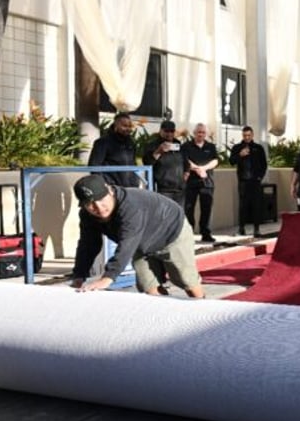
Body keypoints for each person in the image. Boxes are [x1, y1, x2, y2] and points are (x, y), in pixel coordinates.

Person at [70, 174, 204, 299]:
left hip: (170, 232)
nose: (99, 208)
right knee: (149, 287)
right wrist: (79, 275)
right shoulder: (87, 216)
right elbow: (88, 245)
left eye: (102, 200)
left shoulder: (131, 205)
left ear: (110, 191)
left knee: (186, 280)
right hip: (141, 242)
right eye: (90, 204)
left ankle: (204, 308)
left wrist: (108, 278)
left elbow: (127, 243)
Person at [182, 123, 219, 242]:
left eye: (203, 132)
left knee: (206, 209)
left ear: (206, 134)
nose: (201, 135)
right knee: (189, 208)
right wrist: (198, 169)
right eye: (198, 132)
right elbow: (185, 160)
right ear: (194, 133)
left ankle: (206, 233)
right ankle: (189, 234)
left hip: (207, 182)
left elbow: (215, 161)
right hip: (191, 183)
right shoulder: (186, 146)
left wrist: (204, 169)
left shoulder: (211, 147)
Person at [229, 126, 268, 237]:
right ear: (242, 135)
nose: (247, 137)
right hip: (243, 181)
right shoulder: (237, 148)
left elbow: (264, 164)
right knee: (243, 205)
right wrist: (240, 155)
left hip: (255, 181)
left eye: (249, 135)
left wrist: (260, 177)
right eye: (245, 135)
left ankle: (256, 229)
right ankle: (242, 228)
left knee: (256, 205)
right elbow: (231, 161)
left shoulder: (258, 148)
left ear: (252, 135)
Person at [88, 111, 140, 188]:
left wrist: (135, 181)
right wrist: (105, 184)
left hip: (130, 187)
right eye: (124, 126)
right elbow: (94, 166)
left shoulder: (131, 143)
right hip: (112, 187)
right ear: (116, 125)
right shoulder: (103, 142)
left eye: (130, 126)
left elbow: (133, 163)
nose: (128, 129)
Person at [142, 120, 185, 206]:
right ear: (160, 131)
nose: (169, 134)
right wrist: (158, 151)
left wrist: (186, 171)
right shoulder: (152, 145)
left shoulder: (178, 144)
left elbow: (184, 160)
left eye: (172, 131)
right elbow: (147, 163)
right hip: (163, 189)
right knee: (164, 216)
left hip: (179, 189)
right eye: (166, 131)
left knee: (178, 215)